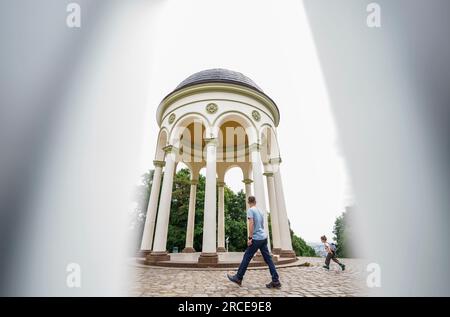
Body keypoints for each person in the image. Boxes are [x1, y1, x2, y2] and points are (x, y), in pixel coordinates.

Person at [227, 196, 281, 288]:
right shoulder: (260, 211)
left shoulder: (250, 210)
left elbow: (251, 224)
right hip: (263, 238)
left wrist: (250, 238)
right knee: (268, 260)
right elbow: (262, 224)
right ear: (255, 202)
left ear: (248, 202)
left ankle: (238, 278)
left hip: (256, 238)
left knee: (247, 257)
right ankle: (275, 280)